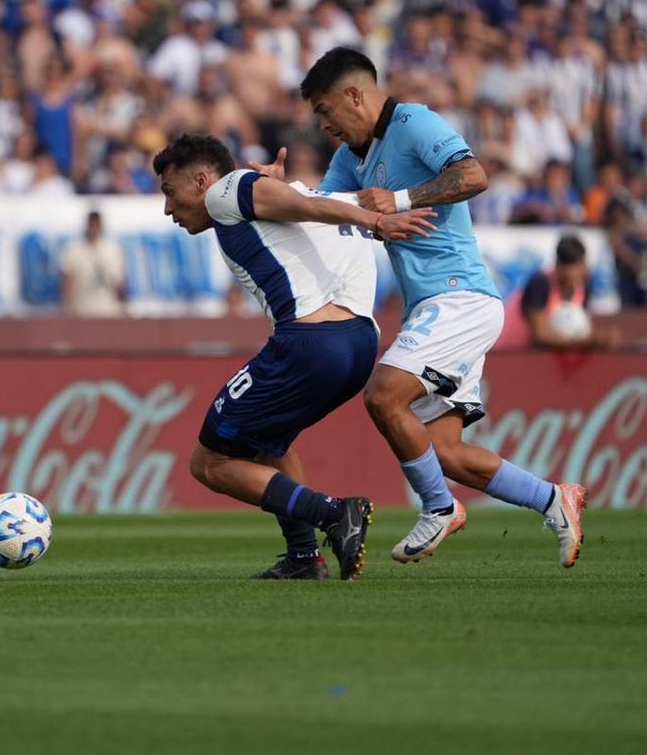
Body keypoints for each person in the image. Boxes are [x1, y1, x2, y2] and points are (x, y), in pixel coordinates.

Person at [260, 47, 587, 569]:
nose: (323, 125)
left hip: (460, 296)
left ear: (354, 95)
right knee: (447, 453)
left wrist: (402, 199)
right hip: (432, 308)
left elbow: (474, 175)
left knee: (384, 396)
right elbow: (323, 212)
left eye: (325, 110)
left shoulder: (413, 122)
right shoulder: (351, 159)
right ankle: (554, 500)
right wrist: (273, 191)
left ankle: (438, 507)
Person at [153, 133, 436, 580]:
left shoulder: (226, 192)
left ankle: (333, 513)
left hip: (311, 343)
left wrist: (375, 224)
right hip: (359, 345)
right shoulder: (287, 194)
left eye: (170, 193)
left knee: (210, 463)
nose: (168, 209)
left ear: (203, 180)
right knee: (269, 445)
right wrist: (280, 195)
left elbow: (301, 205)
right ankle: (304, 557)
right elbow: (304, 206)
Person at [521, 235, 618, 349]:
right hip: (514, 352)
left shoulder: (584, 285)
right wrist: (589, 342)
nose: (577, 273)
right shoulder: (540, 284)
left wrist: (602, 338)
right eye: (572, 268)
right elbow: (540, 337)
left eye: (580, 266)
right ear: (559, 267)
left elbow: (583, 326)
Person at [58, 210, 127, 317]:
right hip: (83, 311)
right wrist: (68, 310)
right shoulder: (74, 250)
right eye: (91, 224)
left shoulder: (112, 249)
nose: (94, 228)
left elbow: (118, 283)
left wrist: (124, 308)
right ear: (87, 225)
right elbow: (68, 282)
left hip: (108, 311)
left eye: (97, 225)